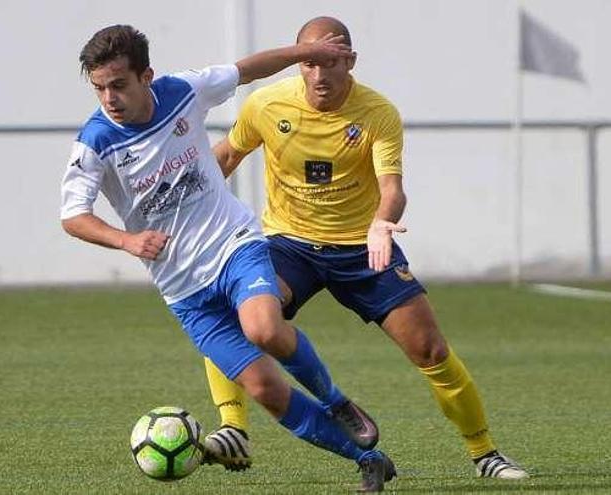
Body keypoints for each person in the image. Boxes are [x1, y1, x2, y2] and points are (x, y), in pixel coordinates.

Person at [59, 24, 397, 491]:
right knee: (266, 390)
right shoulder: (96, 140)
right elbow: (73, 216)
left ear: (147, 77)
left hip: (233, 244)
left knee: (263, 326)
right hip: (183, 290)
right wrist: (127, 241)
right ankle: (368, 458)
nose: (109, 98)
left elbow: (247, 70)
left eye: (119, 85)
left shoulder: (182, 91)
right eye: (99, 88)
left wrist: (307, 51)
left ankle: (337, 401)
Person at [203, 16, 529, 480]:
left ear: (349, 61)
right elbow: (227, 157)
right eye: (309, 63)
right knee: (233, 314)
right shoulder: (266, 104)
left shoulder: (377, 112)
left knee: (430, 349)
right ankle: (233, 427)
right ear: (297, 63)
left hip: (363, 247)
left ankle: (485, 454)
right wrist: (184, 207)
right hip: (289, 244)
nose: (319, 75)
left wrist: (382, 223)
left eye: (330, 62)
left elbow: (392, 188)